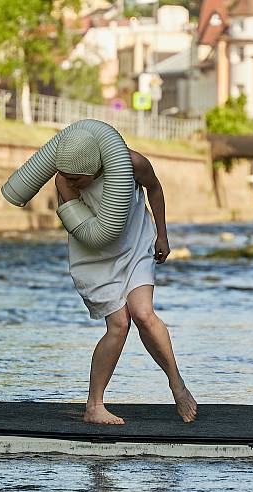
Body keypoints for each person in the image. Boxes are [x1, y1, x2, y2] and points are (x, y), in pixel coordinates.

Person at [53, 128, 197, 425]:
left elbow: (155, 189)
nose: (69, 182)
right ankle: (94, 406)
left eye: (76, 178)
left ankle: (177, 385)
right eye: (65, 175)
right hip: (95, 255)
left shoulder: (133, 164)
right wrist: (70, 186)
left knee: (143, 313)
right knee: (119, 324)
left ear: (93, 167)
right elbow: (81, 228)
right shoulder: (64, 181)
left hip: (135, 241)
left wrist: (162, 235)